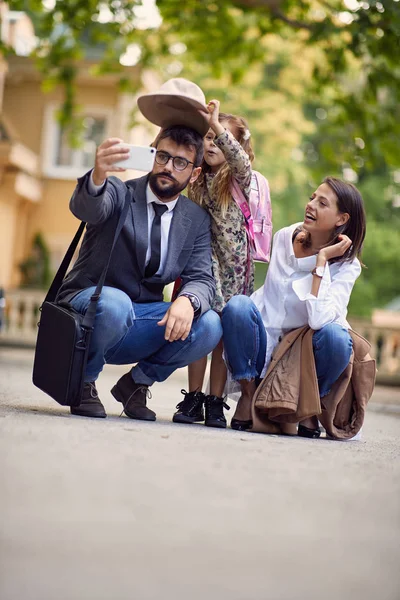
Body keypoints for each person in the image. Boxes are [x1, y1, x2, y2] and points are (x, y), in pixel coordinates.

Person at [57, 122, 222, 419]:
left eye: (180, 161)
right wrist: (98, 175)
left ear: (195, 173)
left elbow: (202, 278)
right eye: (162, 156)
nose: (168, 167)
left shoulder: (195, 219)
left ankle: (135, 384)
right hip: (88, 311)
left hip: (139, 322)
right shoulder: (121, 192)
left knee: (210, 324)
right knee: (117, 304)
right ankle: (83, 381)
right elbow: (87, 208)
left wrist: (188, 300)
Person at [221, 176, 367, 434]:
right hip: (263, 341)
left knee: (336, 338)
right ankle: (248, 394)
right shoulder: (284, 237)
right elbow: (273, 302)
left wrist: (322, 261)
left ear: (341, 219)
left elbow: (319, 320)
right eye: (312, 198)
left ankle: (309, 404)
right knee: (237, 307)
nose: (311, 205)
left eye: (322, 203)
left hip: (303, 355)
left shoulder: (347, 265)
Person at [172, 99, 255, 429]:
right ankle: (193, 397)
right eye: (206, 136)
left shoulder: (239, 179)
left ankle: (215, 401)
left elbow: (238, 159)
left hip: (233, 274)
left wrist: (217, 125)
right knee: (202, 332)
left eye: (218, 137)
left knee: (222, 340)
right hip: (201, 270)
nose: (211, 142)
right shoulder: (195, 177)